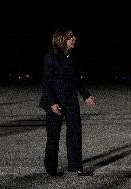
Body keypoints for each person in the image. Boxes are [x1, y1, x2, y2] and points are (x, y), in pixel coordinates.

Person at [39, 26, 96, 177]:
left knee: (75, 133)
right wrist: (51, 103)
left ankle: (76, 166)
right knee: (53, 136)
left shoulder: (72, 57)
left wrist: (86, 95)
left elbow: (77, 80)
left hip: (70, 101)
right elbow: (45, 83)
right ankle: (51, 169)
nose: (74, 39)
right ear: (62, 40)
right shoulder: (50, 57)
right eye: (71, 37)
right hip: (54, 102)